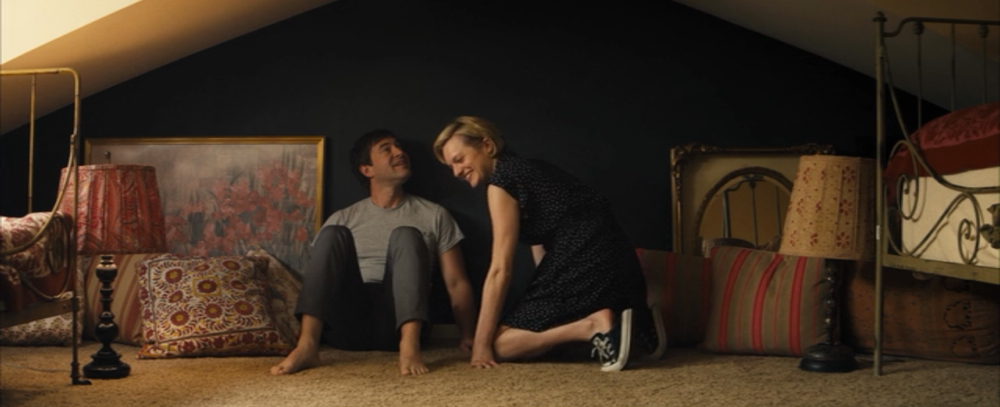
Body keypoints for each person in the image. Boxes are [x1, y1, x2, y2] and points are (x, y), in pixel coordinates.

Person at [432, 116, 663, 372]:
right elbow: (542, 242)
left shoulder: (501, 183)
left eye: (459, 159)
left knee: (501, 345)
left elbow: (500, 268)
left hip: (585, 259)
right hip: (619, 260)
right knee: (543, 333)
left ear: (486, 145)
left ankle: (591, 326)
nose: (456, 172)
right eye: (451, 166)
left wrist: (481, 344)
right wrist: (546, 302)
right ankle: (628, 329)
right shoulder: (531, 168)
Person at [271, 130, 476, 376]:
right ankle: (307, 346)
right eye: (386, 149)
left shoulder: (434, 215)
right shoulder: (344, 217)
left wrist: (468, 334)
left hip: (399, 321)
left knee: (406, 234)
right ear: (367, 169)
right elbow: (320, 278)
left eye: (399, 147)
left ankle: (409, 347)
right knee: (333, 233)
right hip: (346, 325)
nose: (399, 152)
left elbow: (456, 282)